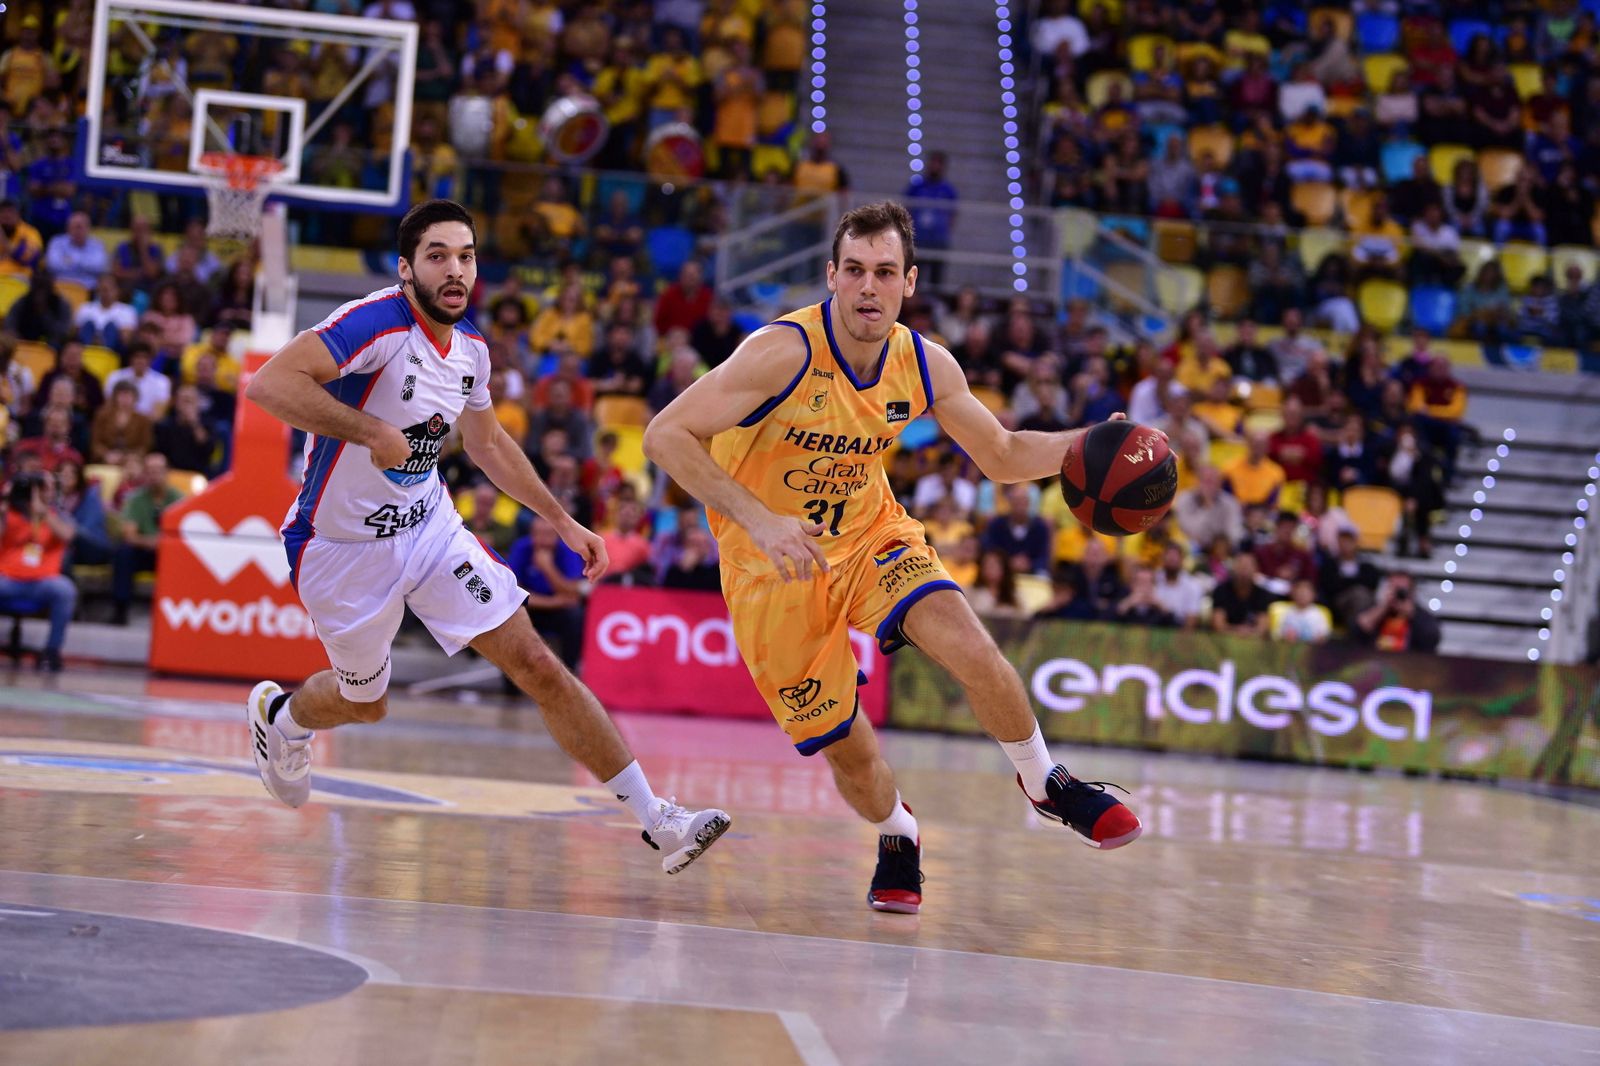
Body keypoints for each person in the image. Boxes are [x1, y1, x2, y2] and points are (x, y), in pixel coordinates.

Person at [643, 201, 1143, 915]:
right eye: (854, 270)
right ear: (831, 276)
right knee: (849, 752)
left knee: (971, 645)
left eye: (884, 272)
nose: (868, 287)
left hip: (873, 537)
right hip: (771, 568)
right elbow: (663, 436)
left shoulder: (924, 363)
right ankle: (897, 832)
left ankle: (1045, 782)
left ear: (908, 282)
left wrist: (1082, 444)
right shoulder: (780, 353)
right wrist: (759, 520)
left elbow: (1002, 454)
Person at [242, 200, 729, 875]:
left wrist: (563, 522)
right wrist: (369, 430)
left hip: (428, 527)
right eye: (438, 256)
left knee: (536, 662)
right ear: (406, 268)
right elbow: (269, 384)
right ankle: (283, 719)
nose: (455, 270)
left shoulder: (470, 350)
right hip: (339, 550)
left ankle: (659, 819)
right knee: (365, 702)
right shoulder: (376, 324)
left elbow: (490, 444)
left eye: (466, 256)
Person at [0, 470, 77, 671]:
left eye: (48, 488)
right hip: (7, 579)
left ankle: (52, 652)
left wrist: (43, 513)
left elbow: (68, 535)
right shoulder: (8, 512)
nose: (46, 492)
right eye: (41, 487)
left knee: (65, 590)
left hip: (42, 582)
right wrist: (5, 505)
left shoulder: (58, 514)